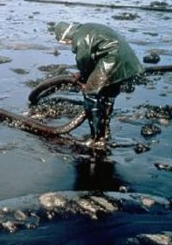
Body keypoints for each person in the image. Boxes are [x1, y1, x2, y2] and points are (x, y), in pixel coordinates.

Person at [53, 22, 144, 150]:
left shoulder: (80, 38)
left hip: (112, 59)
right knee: (108, 94)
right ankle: (104, 131)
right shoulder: (87, 28)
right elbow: (96, 53)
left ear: (64, 36)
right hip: (125, 59)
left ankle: (97, 138)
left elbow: (84, 60)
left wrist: (84, 78)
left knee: (91, 94)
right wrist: (84, 75)